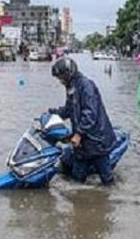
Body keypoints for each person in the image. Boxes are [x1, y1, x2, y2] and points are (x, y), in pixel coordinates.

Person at [49, 57, 117, 185]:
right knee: (76, 181)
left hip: (97, 140)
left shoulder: (86, 86)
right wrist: (53, 115)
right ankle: (79, 203)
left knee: (107, 179)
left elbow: (90, 113)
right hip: (82, 144)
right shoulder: (71, 87)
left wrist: (79, 133)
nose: (60, 81)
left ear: (68, 73)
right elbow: (69, 109)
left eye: (61, 77)